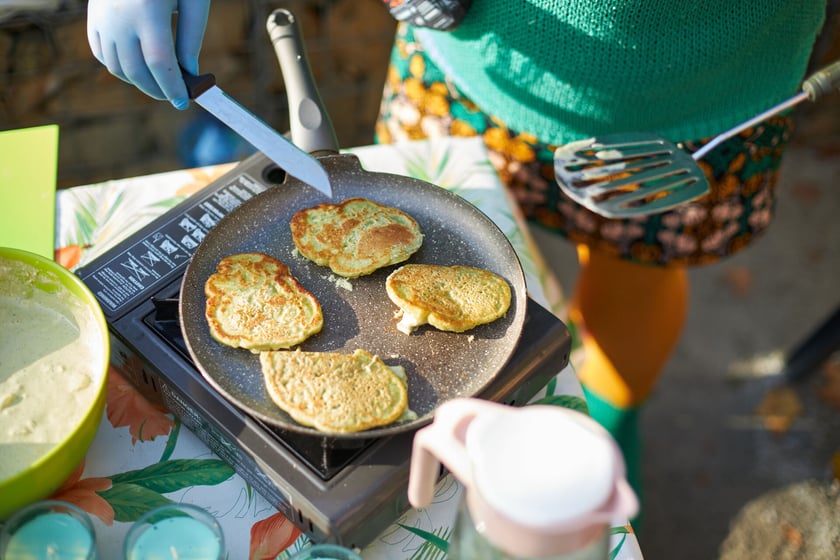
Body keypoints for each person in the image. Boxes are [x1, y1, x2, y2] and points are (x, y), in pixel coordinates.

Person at [87, 0, 829, 527]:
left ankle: (613, 423)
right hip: (472, 59)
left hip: (703, 103)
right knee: (431, 200)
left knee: (638, 268)